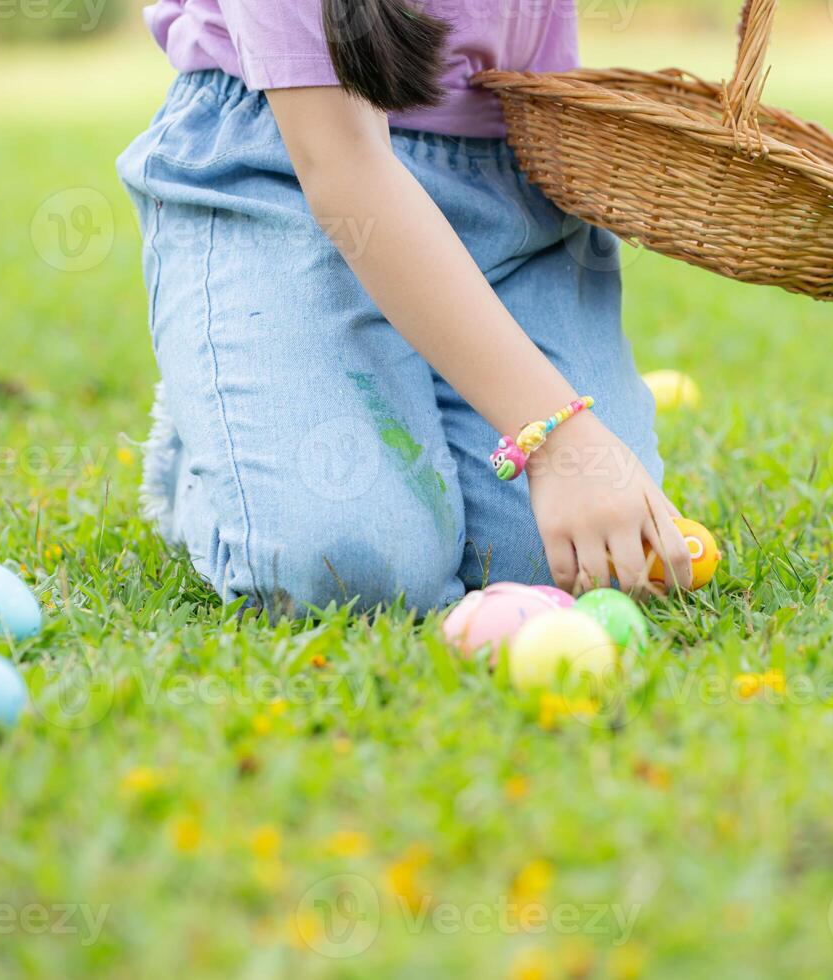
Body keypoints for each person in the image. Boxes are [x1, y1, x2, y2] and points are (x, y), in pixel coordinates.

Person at [118, 0, 693, 617]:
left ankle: (303, 413)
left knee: (556, 560)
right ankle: (219, 442)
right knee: (358, 571)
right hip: (291, 160)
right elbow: (344, 165)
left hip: (506, 176)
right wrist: (556, 431)